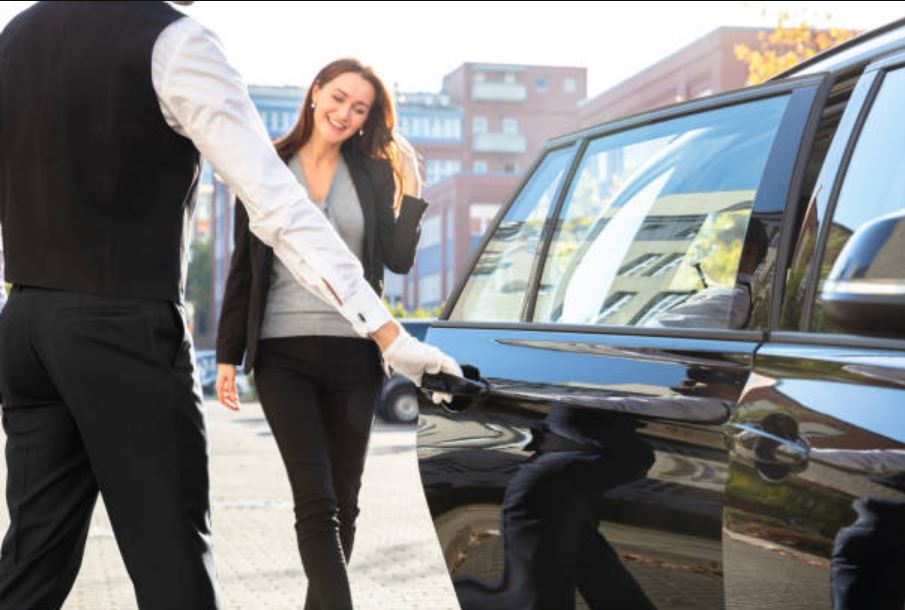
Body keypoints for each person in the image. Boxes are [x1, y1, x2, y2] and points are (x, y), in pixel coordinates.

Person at [0, 3, 459, 609]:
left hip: (26, 325)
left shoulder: (17, 34)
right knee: (173, 562)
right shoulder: (175, 40)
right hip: (122, 328)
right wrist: (390, 337)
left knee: (33, 557)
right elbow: (279, 206)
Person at [214, 58, 428, 610]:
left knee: (345, 502)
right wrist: (228, 355)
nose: (345, 113)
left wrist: (410, 186)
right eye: (338, 98)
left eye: (359, 108)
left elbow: (399, 261)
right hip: (283, 355)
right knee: (316, 502)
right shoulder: (266, 167)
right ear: (315, 93)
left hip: (356, 354)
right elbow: (244, 266)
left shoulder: (372, 173)